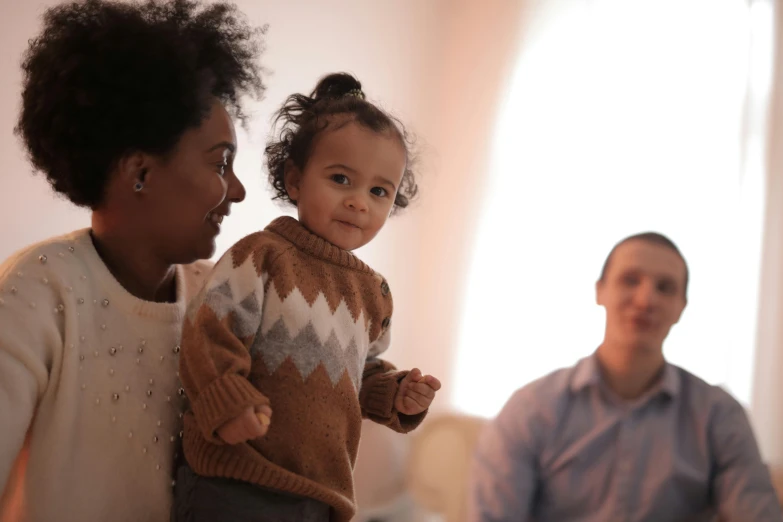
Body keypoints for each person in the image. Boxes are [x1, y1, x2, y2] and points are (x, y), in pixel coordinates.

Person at [0, 1, 266, 521]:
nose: (236, 190)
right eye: (221, 162)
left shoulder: (222, 298)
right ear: (139, 172)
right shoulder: (34, 292)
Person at [173, 72, 442, 522]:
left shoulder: (373, 292)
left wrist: (394, 395)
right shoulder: (262, 257)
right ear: (295, 180)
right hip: (236, 480)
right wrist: (227, 403)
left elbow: (361, 373)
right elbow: (208, 332)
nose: (360, 202)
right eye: (341, 179)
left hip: (320, 493)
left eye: (379, 191)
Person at [468, 232, 783, 522]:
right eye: (630, 280)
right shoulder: (530, 409)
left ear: (681, 308)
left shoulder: (720, 416)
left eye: (665, 287)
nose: (646, 299)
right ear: (599, 290)